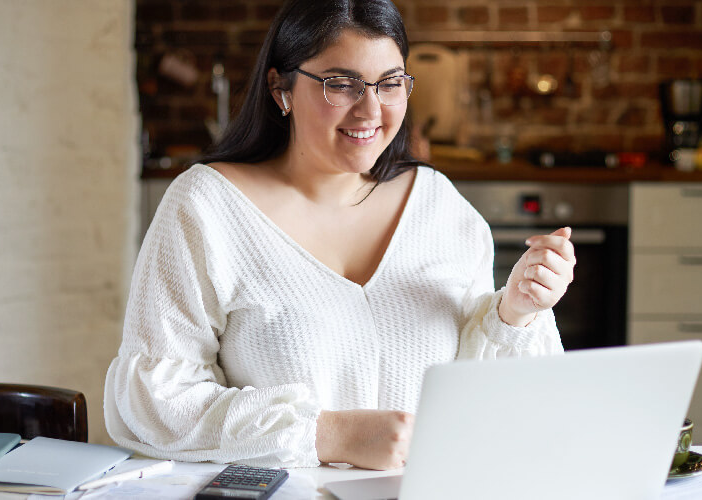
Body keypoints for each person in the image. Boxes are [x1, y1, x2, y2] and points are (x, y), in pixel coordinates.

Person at [104, 0, 575, 471]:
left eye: (390, 83)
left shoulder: (438, 204)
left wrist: (516, 313)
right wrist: (328, 435)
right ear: (281, 89)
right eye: (341, 84)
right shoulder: (206, 207)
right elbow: (154, 399)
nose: (370, 110)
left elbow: (479, 405)